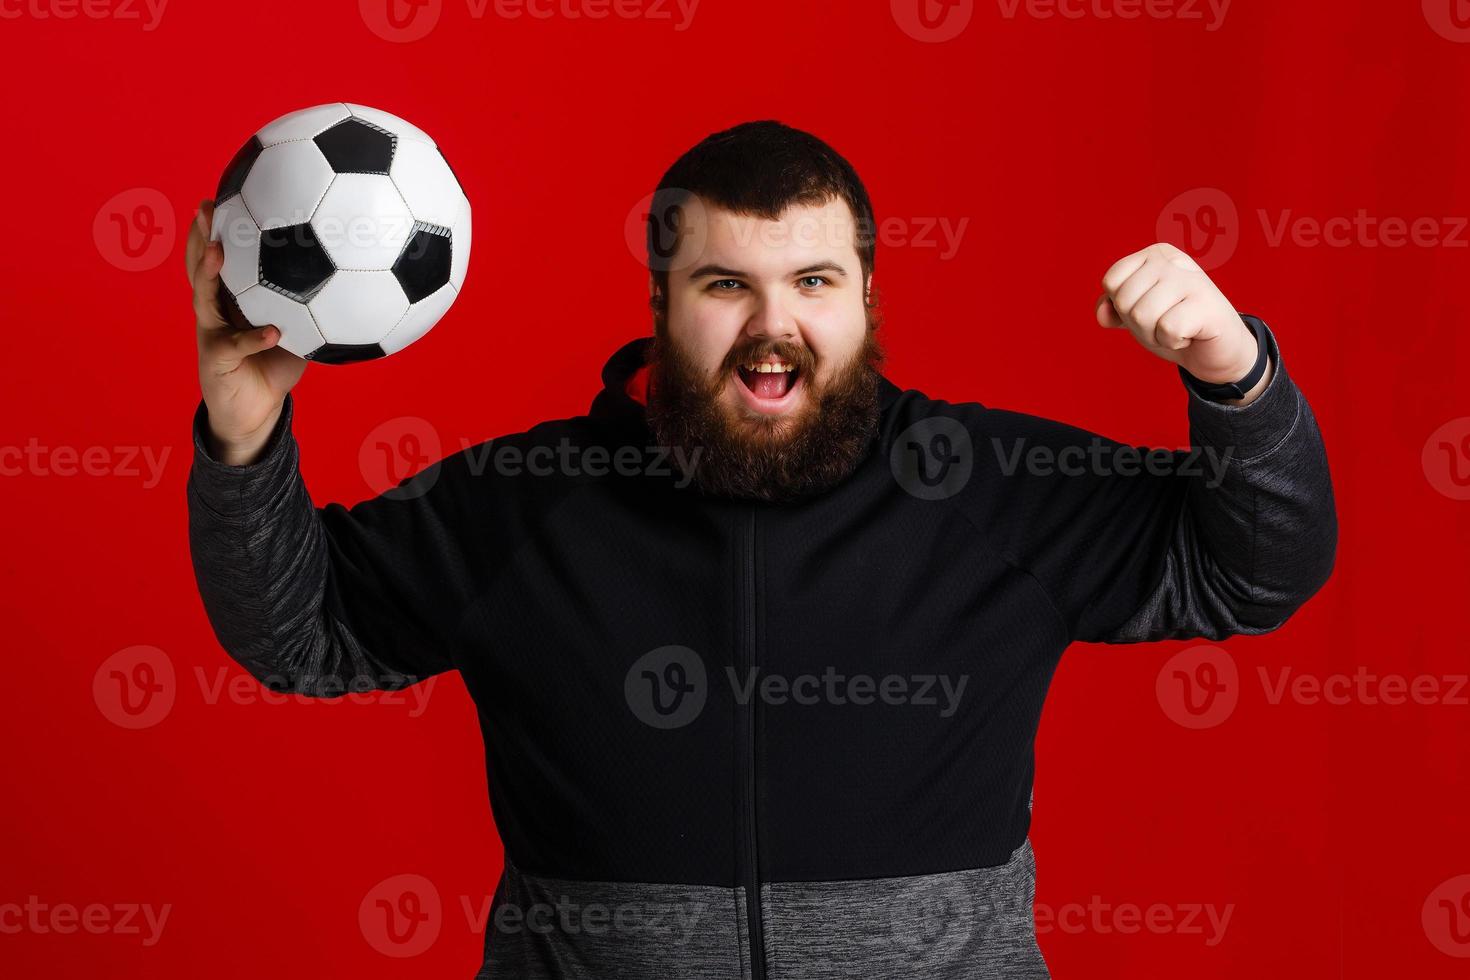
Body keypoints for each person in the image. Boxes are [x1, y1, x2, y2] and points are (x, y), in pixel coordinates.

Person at [185, 120, 1336, 979]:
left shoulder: (994, 490)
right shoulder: (522, 503)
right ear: (662, 301)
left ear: (869, 297)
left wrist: (1234, 373)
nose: (772, 326)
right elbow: (302, 631)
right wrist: (244, 436)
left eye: (815, 282)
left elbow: (1260, 563)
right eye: (726, 284)